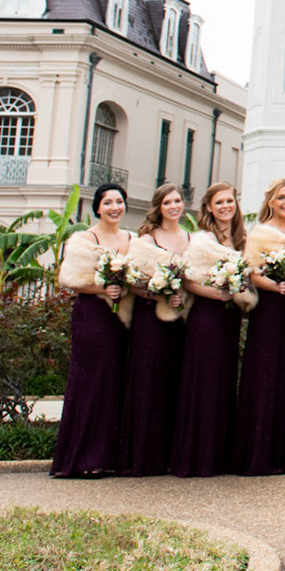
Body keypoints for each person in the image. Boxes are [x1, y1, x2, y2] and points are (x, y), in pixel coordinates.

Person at [51, 183, 132, 478]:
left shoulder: (132, 238)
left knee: (115, 382)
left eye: (119, 202)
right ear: (98, 207)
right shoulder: (84, 239)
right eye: (108, 202)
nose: (114, 207)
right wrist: (102, 287)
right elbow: (68, 279)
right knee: (91, 383)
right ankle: (82, 458)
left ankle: (108, 455)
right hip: (93, 318)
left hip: (122, 318)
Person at [173, 181, 252, 478]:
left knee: (223, 380)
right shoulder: (201, 239)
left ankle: (219, 456)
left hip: (230, 319)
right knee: (203, 381)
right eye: (219, 202)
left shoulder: (241, 240)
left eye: (229, 201)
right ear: (208, 207)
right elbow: (188, 279)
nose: (225, 207)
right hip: (206, 316)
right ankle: (196, 457)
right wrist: (216, 294)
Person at [233, 178, 285, 476]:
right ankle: (258, 453)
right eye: (281, 197)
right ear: (271, 202)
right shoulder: (260, 233)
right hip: (271, 312)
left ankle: (281, 452)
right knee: (267, 374)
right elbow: (252, 273)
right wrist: (277, 287)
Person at [122, 183, 192, 477]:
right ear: (158, 207)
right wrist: (158, 294)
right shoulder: (146, 240)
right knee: (149, 383)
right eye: (167, 202)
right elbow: (133, 280)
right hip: (150, 322)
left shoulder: (191, 238)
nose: (174, 206)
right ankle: (142, 456)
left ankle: (168, 455)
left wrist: (180, 297)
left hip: (182, 323)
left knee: (174, 384)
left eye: (177, 201)